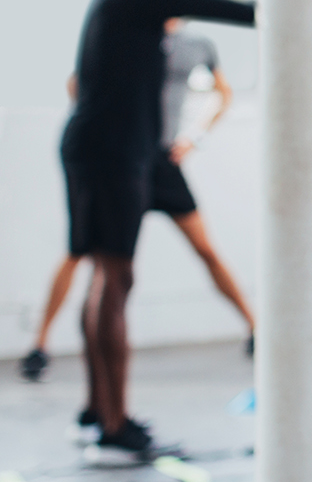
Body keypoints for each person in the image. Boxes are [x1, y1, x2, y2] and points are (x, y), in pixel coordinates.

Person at [61, 0, 257, 465]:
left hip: (138, 156)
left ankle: (98, 411)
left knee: (107, 276)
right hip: (112, 155)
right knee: (115, 278)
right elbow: (225, 9)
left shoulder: (129, 7)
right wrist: (275, 10)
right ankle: (113, 425)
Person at [23, 19, 255, 385]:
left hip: (163, 161)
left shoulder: (198, 45)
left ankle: (255, 328)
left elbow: (223, 94)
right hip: (123, 161)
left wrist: (193, 138)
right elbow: (77, 84)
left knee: (205, 248)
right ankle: (39, 345)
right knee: (83, 253)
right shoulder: (125, 37)